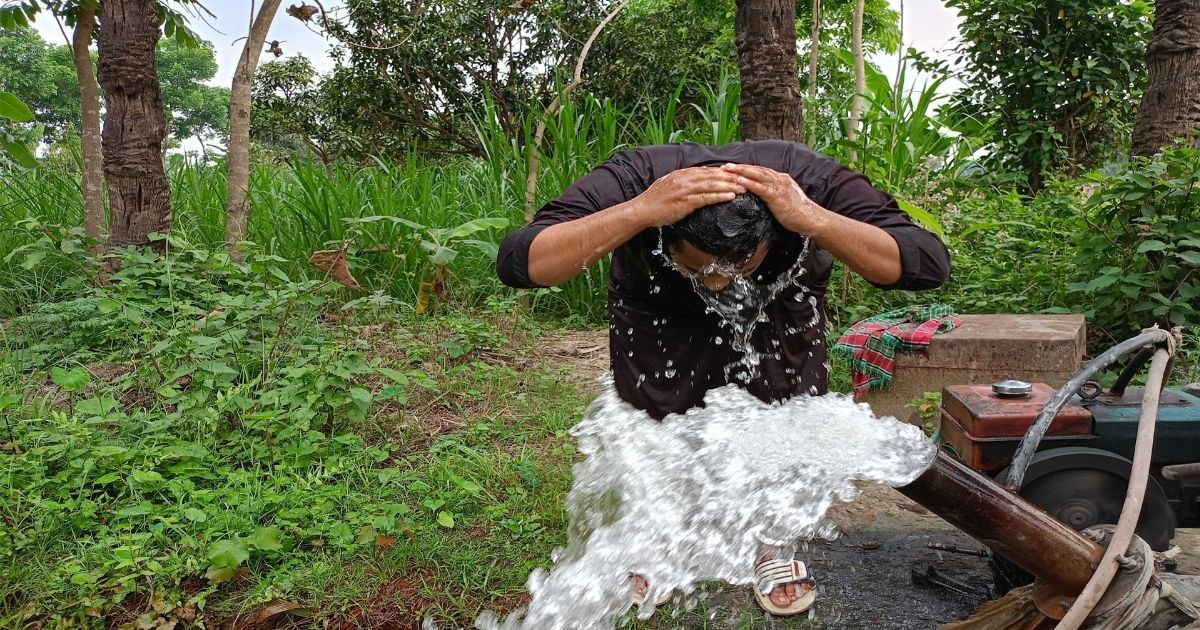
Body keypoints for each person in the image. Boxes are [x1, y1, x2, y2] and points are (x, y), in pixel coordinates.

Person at [496, 139, 950, 615]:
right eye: (700, 266)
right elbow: (522, 262)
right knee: (654, 416)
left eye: (738, 265)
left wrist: (812, 217)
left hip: (779, 312)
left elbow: (926, 263)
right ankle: (654, 537)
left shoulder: (808, 179)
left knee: (786, 415)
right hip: (658, 311)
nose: (717, 282)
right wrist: (639, 209)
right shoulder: (636, 176)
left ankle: (773, 543)